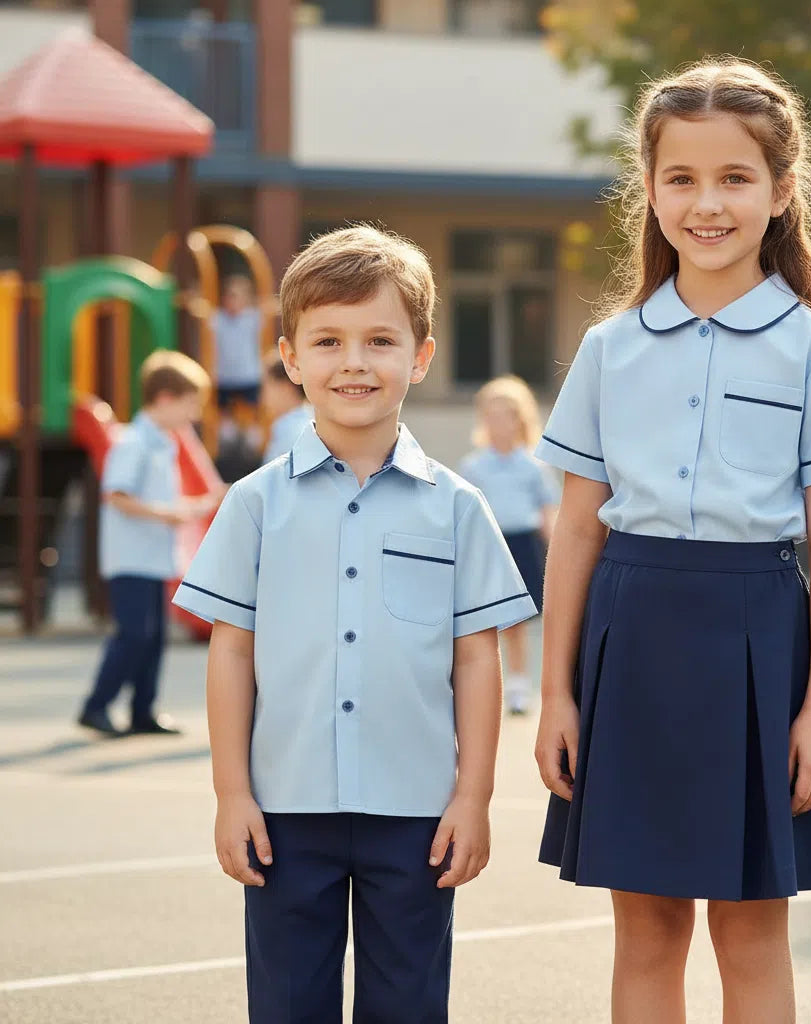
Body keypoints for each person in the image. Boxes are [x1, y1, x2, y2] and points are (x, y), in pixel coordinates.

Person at [532, 59, 811, 1023]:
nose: (707, 204)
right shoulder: (610, 349)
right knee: (646, 931)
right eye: (681, 179)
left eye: (735, 179)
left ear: (782, 193)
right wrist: (556, 693)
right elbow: (575, 529)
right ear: (647, 192)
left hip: (758, 644)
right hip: (630, 639)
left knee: (749, 930)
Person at [172, 226, 535, 1023]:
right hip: (282, 812)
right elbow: (231, 653)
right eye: (328, 341)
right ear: (292, 358)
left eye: (380, 340)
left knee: (408, 1004)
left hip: (416, 814)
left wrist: (473, 797)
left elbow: (478, 662)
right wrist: (231, 791)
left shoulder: (458, 508)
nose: (355, 362)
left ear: (422, 356)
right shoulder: (254, 504)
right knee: (288, 1004)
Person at [78, 350, 213, 737]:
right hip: (130, 558)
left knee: (153, 638)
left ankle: (142, 711)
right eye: (191, 404)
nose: (195, 415)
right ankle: (96, 705)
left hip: (155, 557)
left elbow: (158, 500)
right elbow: (116, 496)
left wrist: (188, 507)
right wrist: (166, 514)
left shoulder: (163, 442)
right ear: (166, 399)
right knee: (134, 634)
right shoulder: (134, 441)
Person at [459, 375, 559, 715]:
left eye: (507, 415)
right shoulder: (473, 466)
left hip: (524, 544)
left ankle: (519, 685)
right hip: (490, 546)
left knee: (517, 621)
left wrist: (557, 555)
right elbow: (465, 516)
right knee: (488, 620)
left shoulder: (533, 466)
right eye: (493, 415)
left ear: (521, 419)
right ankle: (488, 686)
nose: (500, 423)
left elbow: (548, 513)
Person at [211, 275, 264, 440]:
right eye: (229, 297)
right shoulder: (218, 318)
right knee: (224, 407)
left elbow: (268, 308)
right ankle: (227, 436)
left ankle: (252, 435)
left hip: (248, 371)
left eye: (236, 297)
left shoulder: (252, 317)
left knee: (252, 405)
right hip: (224, 373)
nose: (231, 302)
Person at [260, 347, 311, 464]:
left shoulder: (293, 430)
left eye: (267, 385)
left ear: (285, 387)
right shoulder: (306, 422)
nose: (262, 395)